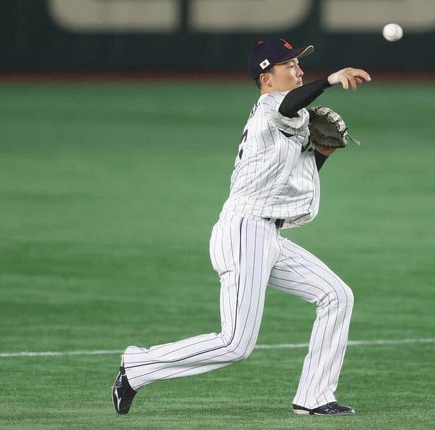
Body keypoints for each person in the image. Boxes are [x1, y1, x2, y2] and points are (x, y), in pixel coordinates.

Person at [112, 37, 371, 416]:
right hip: (244, 232)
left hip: (268, 234)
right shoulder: (271, 108)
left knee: (337, 295)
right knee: (235, 343)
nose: (299, 70)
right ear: (266, 78)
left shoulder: (290, 120)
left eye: (300, 64)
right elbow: (289, 102)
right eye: (290, 65)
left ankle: (315, 396)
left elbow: (292, 178)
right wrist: (331, 79)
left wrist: (323, 154)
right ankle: (137, 366)